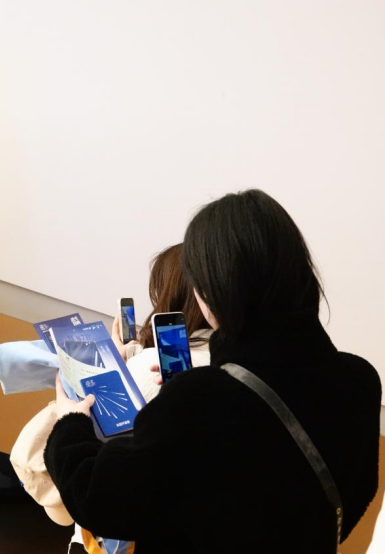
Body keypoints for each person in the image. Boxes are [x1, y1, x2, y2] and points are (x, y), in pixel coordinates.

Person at [45, 189, 380, 553]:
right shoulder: (361, 380)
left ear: (211, 291)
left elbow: (101, 499)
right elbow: (351, 501)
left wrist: (70, 426)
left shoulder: (200, 399)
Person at [111, 244, 212, 401]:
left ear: (172, 297)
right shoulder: (232, 358)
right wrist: (134, 353)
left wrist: (115, 364)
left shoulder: (147, 365)